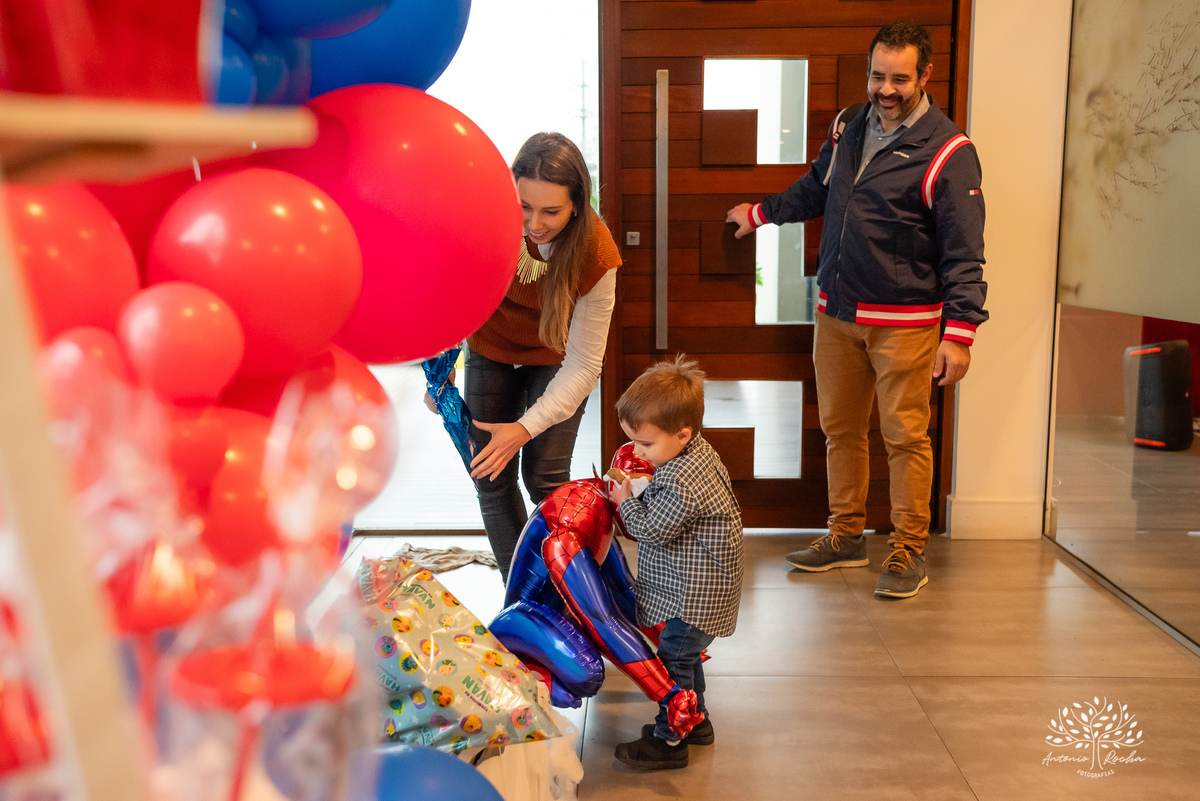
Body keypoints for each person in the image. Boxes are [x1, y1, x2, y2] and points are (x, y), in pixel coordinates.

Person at [726, 20, 987, 599]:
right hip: (837, 312)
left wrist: (960, 333)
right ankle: (845, 536)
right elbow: (817, 188)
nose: (886, 90)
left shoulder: (950, 152)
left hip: (905, 325)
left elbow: (965, 253)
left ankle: (908, 550)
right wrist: (761, 214)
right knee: (840, 431)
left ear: (925, 75)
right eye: (877, 76)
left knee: (905, 438)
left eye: (900, 79)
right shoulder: (849, 125)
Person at [428, 132, 621, 583]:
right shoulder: (483, 222)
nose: (535, 223)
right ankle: (521, 593)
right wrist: (440, 372)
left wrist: (524, 428)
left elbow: (584, 365)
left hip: (555, 356)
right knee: (489, 477)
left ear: (577, 205)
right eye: (524, 207)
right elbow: (448, 295)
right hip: (490, 346)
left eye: (551, 211)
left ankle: (574, 590)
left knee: (545, 480)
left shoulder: (596, 254)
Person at [609, 355, 744, 770]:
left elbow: (651, 530)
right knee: (685, 657)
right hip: (705, 587)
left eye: (645, 444)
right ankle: (696, 722)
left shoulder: (680, 479)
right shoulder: (696, 453)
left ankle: (670, 741)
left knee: (673, 663)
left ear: (682, 434)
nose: (637, 451)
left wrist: (625, 501)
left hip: (695, 598)